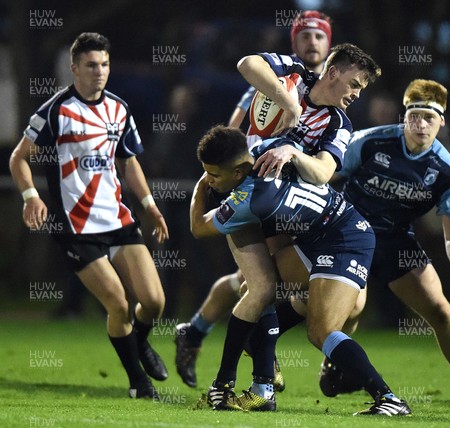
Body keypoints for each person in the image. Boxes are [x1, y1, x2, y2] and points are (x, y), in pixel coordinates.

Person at [273, 79, 450, 409]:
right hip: (347, 232)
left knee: (440, 310)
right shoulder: (371, 142)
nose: (420, 124)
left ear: (442, 122)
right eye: (415, 116)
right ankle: (296, 352)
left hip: (395, 240)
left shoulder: (447, 171)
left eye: (429, 117)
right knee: (329, 304)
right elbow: (324, 172)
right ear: (404, 116)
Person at [175, 39, 380, 388]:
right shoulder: (294, 74)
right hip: (249, 192)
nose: (358, 94)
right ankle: (255, 381)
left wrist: (294, 152)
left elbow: (324, 172)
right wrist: (290, 104)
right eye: (356, 84)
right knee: (261, 288)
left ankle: (204, 337)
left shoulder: (338, 123)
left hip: (283, 207)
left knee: (327, 299)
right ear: (333, 72)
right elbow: (246, 63)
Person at [190, 125, 411, 416]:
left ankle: (389, 399)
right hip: (321, 236)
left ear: (238, 173)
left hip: (345, 239)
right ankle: (262, 390)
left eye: (214, 175)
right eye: (206, 174)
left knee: (320, 331)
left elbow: (198, 228)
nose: (210, 179)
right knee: (257, 292)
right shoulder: (269, 149)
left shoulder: (251, 199)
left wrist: (198, 191)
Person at [9, 32, 169, 399]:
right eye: (92, 65)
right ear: (75, 68)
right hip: (76, 227)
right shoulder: (55, 110)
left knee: (155, 301)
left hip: (119, 219)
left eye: (105, 64)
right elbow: (18, 157)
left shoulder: (119, 108)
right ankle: (137, 383)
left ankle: (140, 345)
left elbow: (129, 161)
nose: (100, 72)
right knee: (118, 303)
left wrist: (149, 205)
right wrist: (30, 197)